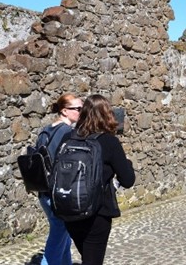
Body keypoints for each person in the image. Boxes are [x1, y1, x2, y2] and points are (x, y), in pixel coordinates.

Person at [62, 94, 135, 265]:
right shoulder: (109, 142)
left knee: (87, 256)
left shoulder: (69, 138)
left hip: (70, 210)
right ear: (107, 114)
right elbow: (128, 180)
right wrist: (127, 164)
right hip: (97, 213)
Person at [37, 93, 83, 265]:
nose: (81, 112)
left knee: (63, 234)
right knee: (56, 241)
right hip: (58, 195)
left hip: (44, 193)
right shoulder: (68, 133)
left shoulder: (45, 130)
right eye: (78, 109)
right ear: (64, 111)